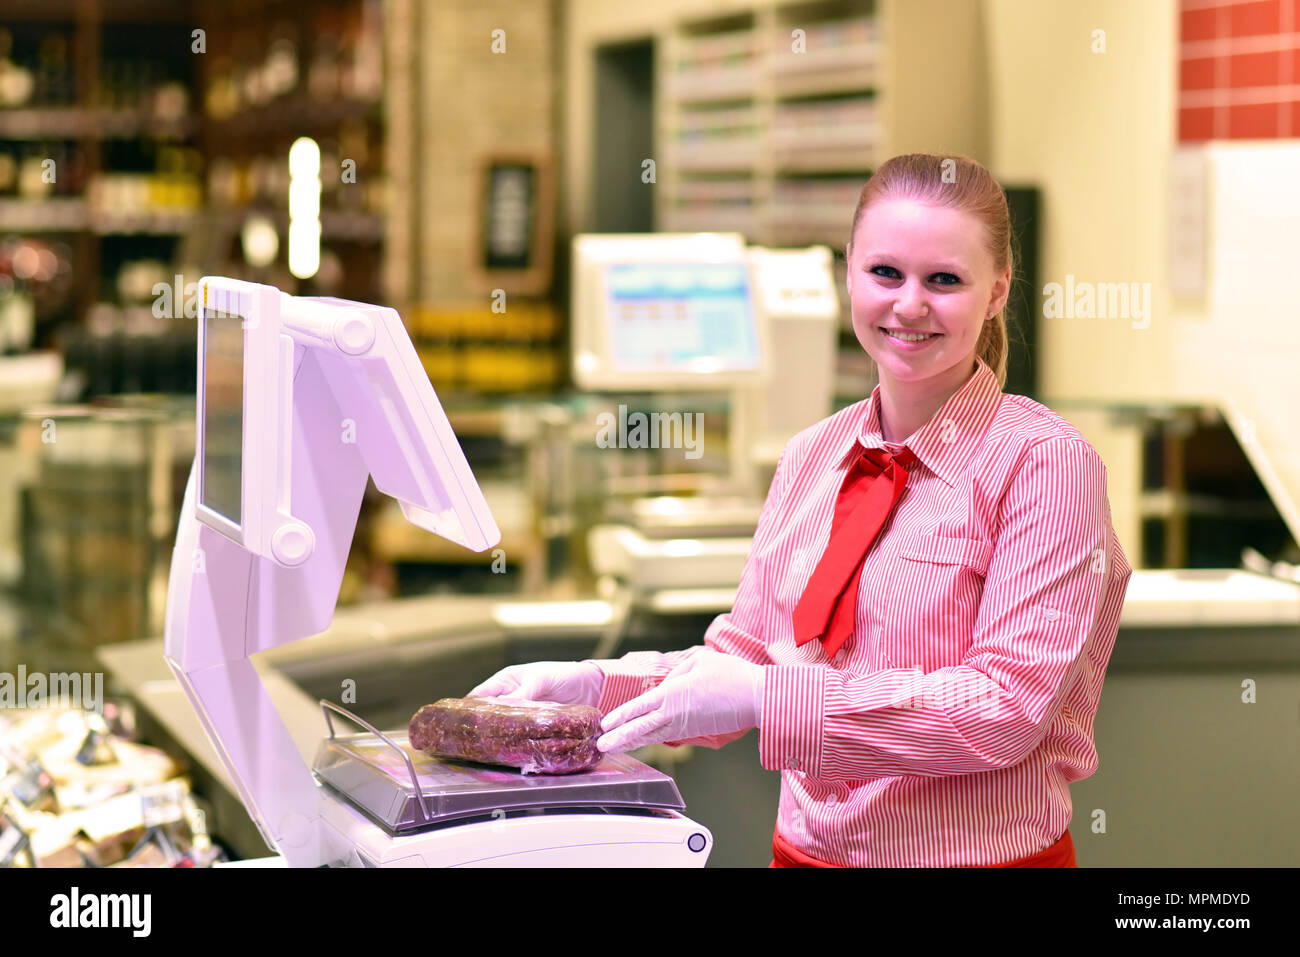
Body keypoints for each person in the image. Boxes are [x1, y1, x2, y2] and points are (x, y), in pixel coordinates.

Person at [469, 153, 1133, 867]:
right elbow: (746, 658)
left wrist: (767, 697)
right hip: (802, 854)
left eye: (944, 280)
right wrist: (589, 690)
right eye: (886, 273)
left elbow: (1001, 710)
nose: (909, 304)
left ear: (997, 291)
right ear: (849, 271)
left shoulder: (1045, 463)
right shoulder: (813, 456)